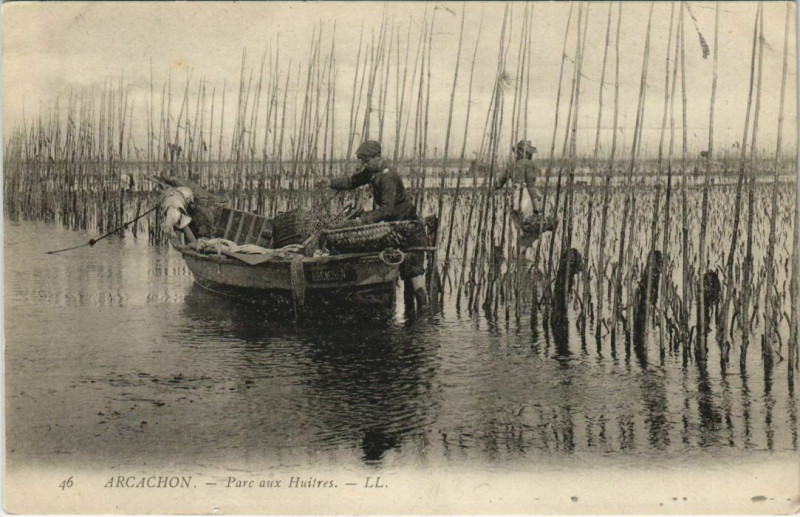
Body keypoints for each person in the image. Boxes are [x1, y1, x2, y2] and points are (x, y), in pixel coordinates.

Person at [316, 140, 428, 312]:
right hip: (395, 227)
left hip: (408, 228)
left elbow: (387, 209)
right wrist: (330, 182)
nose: (364, 164)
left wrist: (364, 219)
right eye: (362, 160)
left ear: (378, 157)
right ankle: (413, 315)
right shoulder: (372, 172)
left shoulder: (387, 177)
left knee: (414, 273)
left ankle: (424, 314)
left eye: (367, 160)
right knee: (408, 272)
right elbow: (351, 181)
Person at [495, 140, 552, 252]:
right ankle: (520, 252)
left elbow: (499, 183)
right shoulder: (528, 164)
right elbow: (530, 185)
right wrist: (536, 207)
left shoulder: (511, 165)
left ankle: (517, 254)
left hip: (514, 198)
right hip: (525, 197)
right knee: (532, 227)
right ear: (525, 153)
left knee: (520, 229)